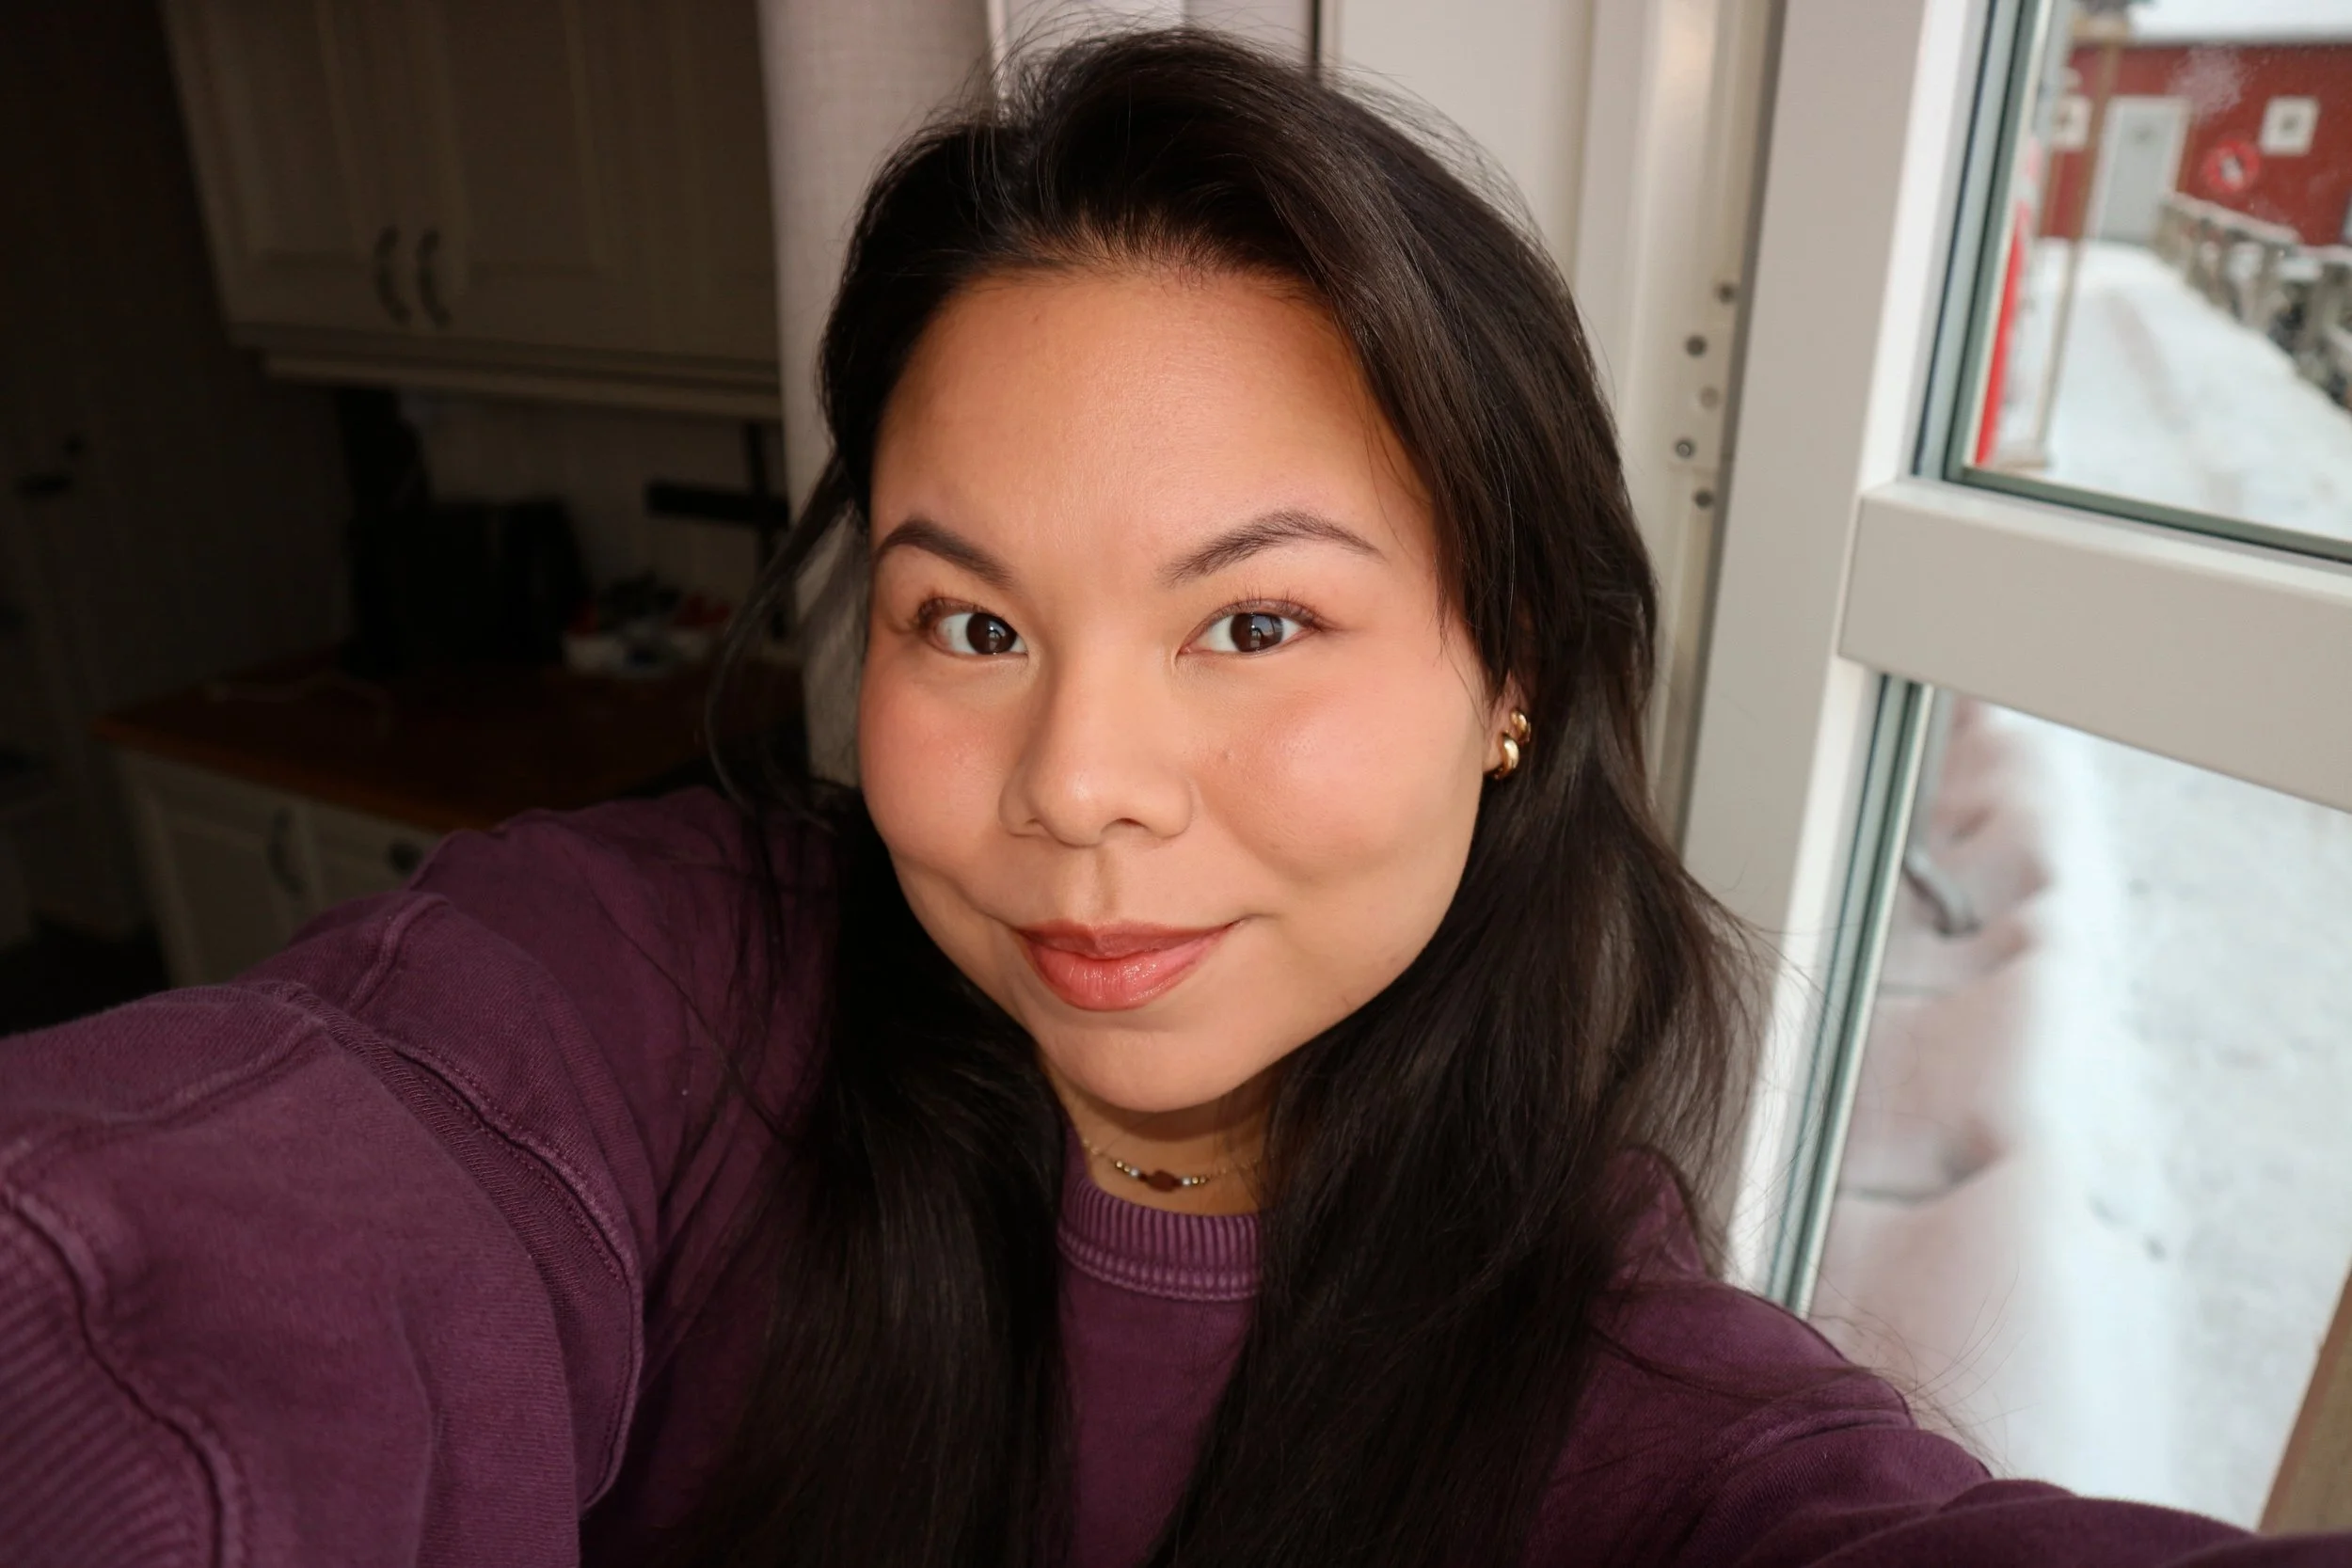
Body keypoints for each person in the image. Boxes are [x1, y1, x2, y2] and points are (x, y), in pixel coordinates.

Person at [0, 29, 2343, 1568]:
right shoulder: (649, 992)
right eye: (971, 623)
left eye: (1251, 621)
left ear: (1510, 668)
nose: (1076, 790)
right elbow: (222, 1260)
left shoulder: (1625, 1409)